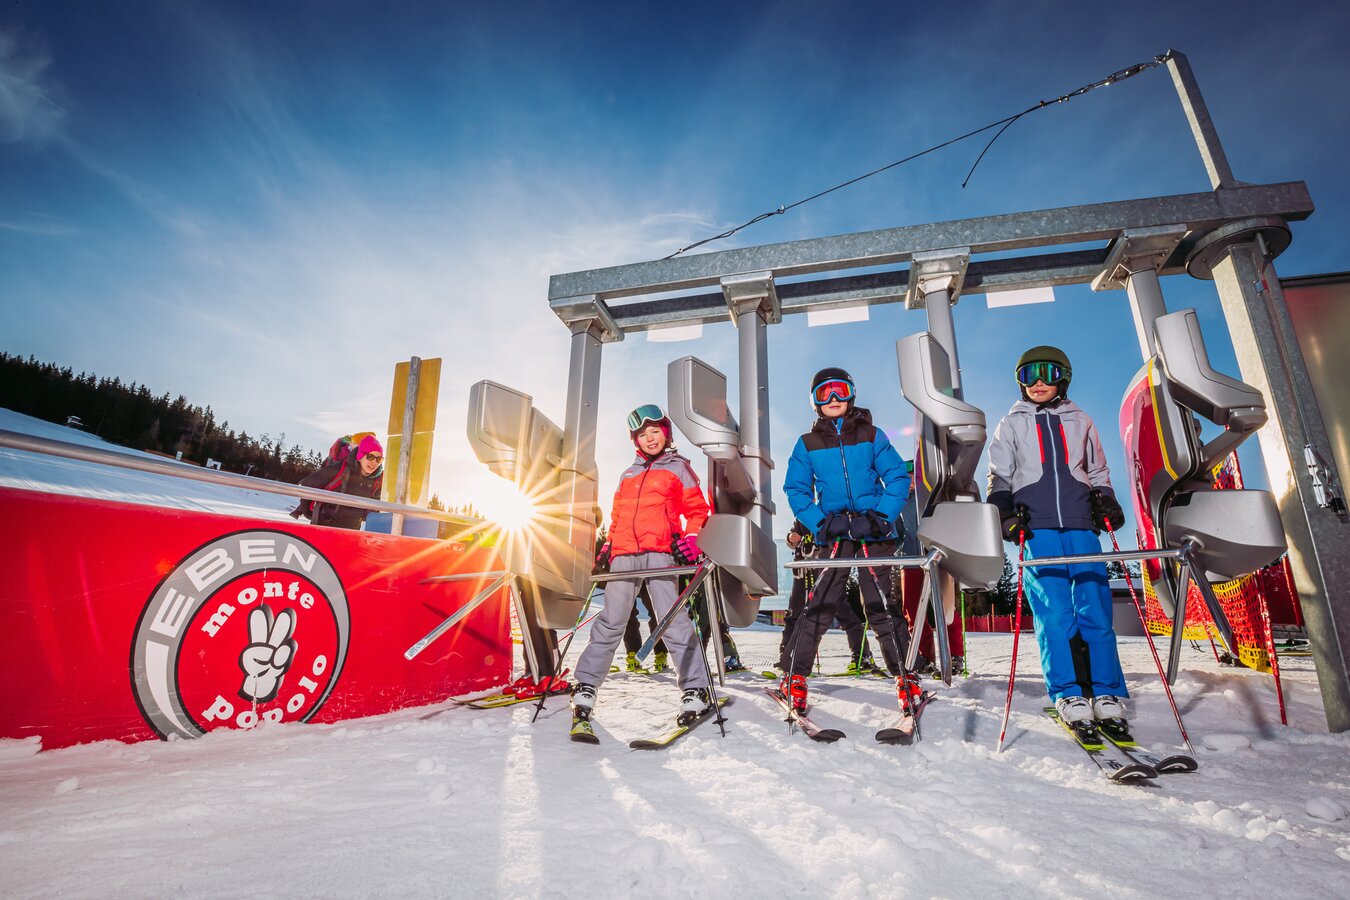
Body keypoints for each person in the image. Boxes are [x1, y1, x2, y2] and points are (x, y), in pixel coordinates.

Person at [987, 346, 1129, 727]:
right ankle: (1068, 691)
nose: (1037, 382)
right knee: (1053, 612)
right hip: (1037, 526)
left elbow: (1097, 470)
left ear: (1062, 378)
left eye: (1047, 373)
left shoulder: (1080, 419)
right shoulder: (1011, 423)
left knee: (1095, 607)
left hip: (1081, 523)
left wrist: (1105, 500)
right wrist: (1004, 513)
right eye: (1028, 374)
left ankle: (1106, 690)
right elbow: (999, 475)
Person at [570, 404, 714, 734]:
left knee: (671, 620)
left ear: (666, 433)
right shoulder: (628, 474)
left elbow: (697, 510)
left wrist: (691, 539)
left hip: (661, 552)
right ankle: (587, 685)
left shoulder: (679, 467)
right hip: (624, 555)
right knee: (611, 620)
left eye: (655, 431)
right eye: (643, 434)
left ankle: (696, 688)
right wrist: (608, 546)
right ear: (635, 440)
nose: (650, 438)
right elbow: (618, 516)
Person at [781, 367, 915, 714]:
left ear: (851, 394)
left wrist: (882, 516)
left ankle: (905, 675)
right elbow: (796, 489)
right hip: (835, 530)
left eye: (839, 390)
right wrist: (821, 523)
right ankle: (795, 675)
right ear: (815, 401)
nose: (833, 399)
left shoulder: (871, 435)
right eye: (824, 393)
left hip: (872, 528)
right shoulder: (807, 444)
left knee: (881, 603)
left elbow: (897, 476)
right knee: (820, 602)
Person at [294, 435, 384, 530]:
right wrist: (307, 512)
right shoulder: (340, 469)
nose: (374, 462)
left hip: (351, 530)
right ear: (360, 456)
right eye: (370, 457)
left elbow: (376, 506)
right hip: (324, 525)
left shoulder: (378, 480)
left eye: (379, 459)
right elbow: (308, 484)